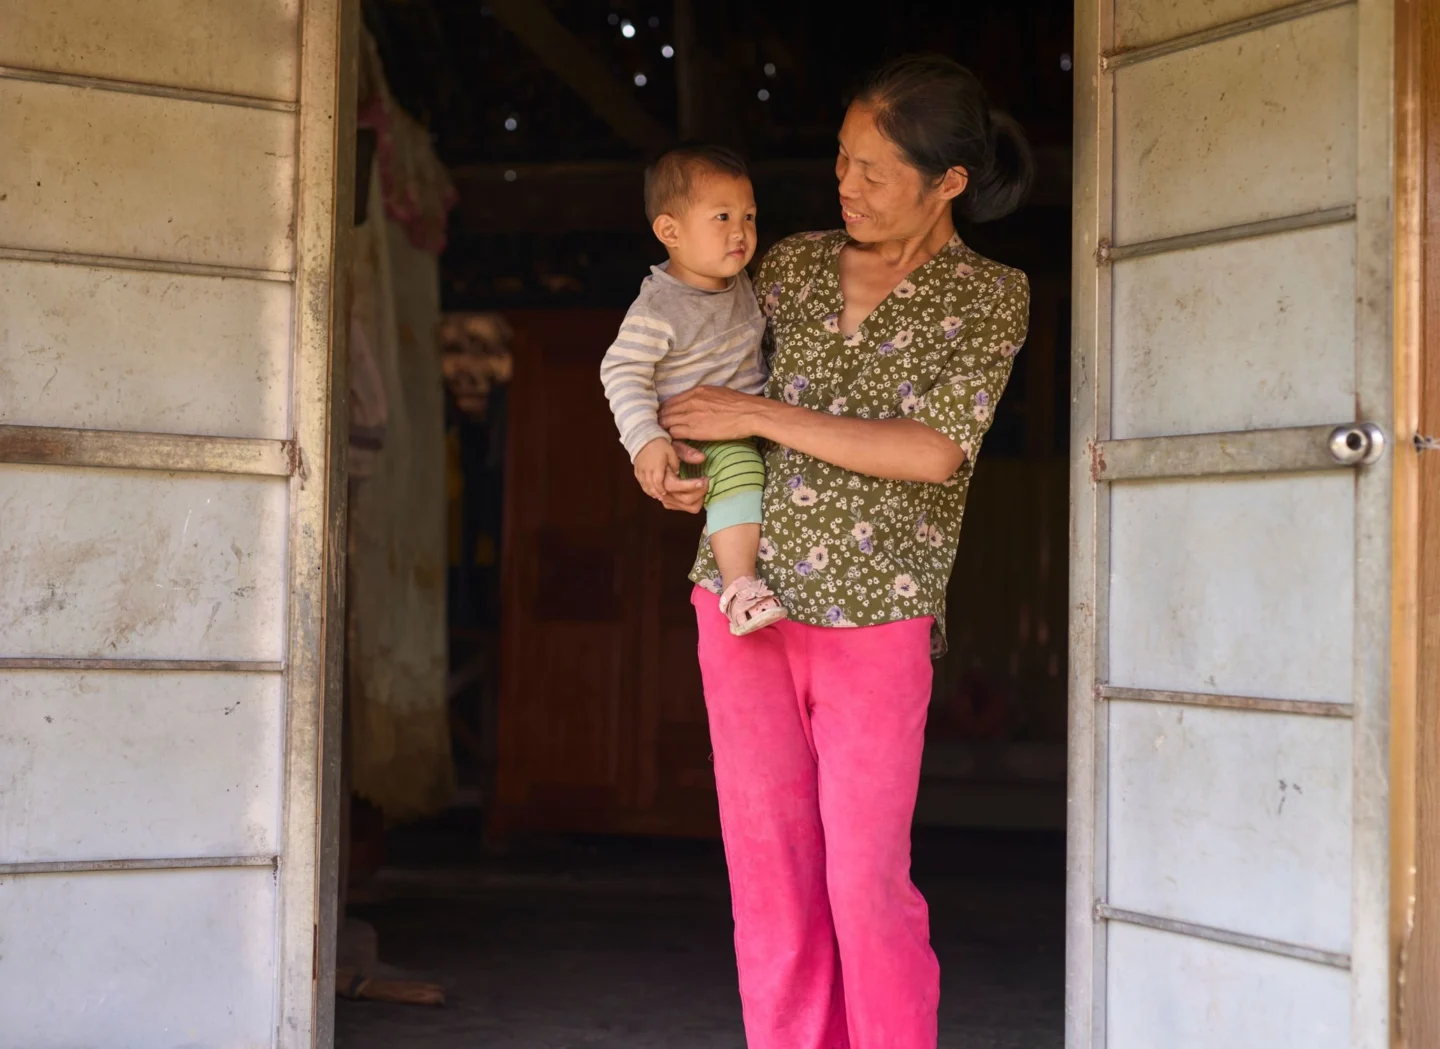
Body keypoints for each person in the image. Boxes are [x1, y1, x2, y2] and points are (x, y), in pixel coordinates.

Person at [656, 54, 1034, 1049]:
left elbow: (932, 450)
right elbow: (696, 376)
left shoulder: (992, 295)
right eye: (841, 160)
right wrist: (664, 451)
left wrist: (761, 413)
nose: (847, 185)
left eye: (874, 168)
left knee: (864, 879)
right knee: (769, 876)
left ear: (948, 181)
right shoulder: (783, 265)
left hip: (880, 615)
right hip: (745, 603)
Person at [600, 143, 788, 636]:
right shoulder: (658, 308)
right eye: (722, 216)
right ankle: (741, 588)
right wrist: (647, 441)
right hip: (699, 438)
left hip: (746, 421)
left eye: (748, 216)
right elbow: (621, 372)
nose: (741, 232)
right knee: (739, 464)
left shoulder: (738, 279)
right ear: (670, 232)